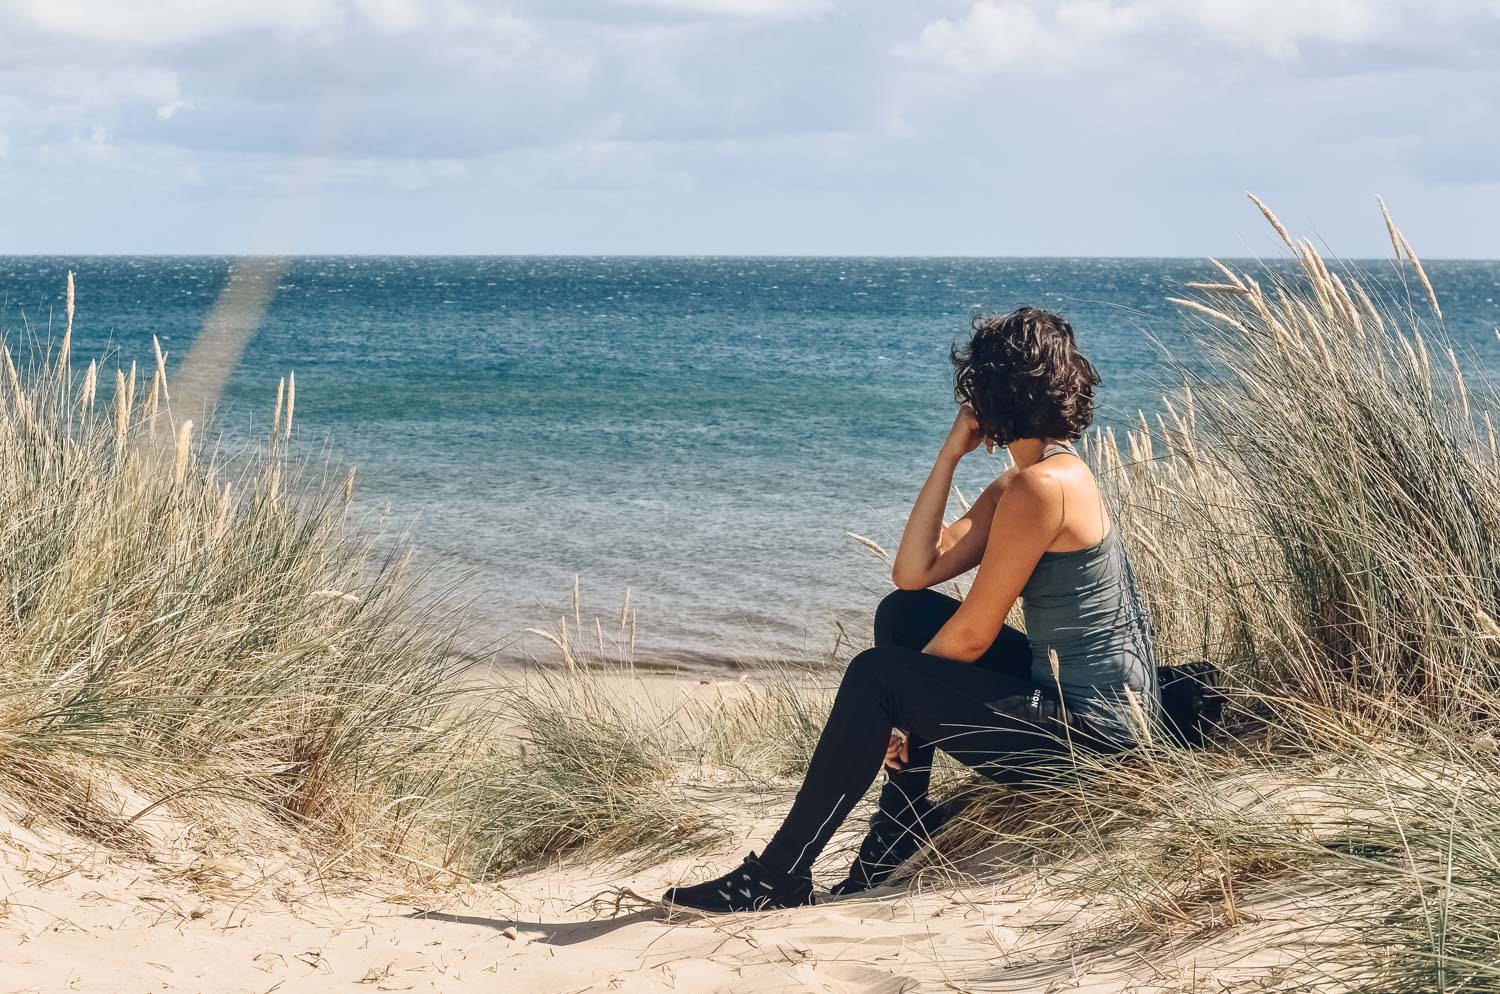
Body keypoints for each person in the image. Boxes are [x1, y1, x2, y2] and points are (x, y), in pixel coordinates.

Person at [662, 307, 1160, 912]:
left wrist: (901, 719)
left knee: (877, 677)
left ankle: (777, 876)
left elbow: (973, 636)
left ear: (991, 394)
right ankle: (901, 825)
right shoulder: (1031, 480)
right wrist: (949, 456)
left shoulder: (1043, 489)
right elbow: (914, 572)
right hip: (1060, 702)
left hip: (1096, 747)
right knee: (904, 613)